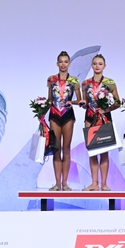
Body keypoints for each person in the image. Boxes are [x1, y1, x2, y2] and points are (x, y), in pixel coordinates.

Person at [81, 54, 120, 191]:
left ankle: (104, 184)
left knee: (104, 152)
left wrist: (106, 109)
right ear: (91, 65)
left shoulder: (110, 82)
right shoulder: (85, 83)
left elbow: (118, 102)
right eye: (95, 63)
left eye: (100, 64)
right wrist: (83, 104)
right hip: (90, 118)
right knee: (92, 151)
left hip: (104, 118)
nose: (97, 66)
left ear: (105, 66)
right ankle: (94, 183)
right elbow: (85, 102)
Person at [47, 51, 81, 191]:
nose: (63, 64)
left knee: (66, 149)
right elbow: (49, 100)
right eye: (61, 61)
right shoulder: (51, 79)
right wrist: (41, 113)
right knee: (56, 149)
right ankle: (57, 183)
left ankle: (65, 183)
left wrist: (71, 102)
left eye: (65, 61)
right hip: (54, 115)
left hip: (67, 115)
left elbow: (79, 100)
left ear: (69, 64)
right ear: (57, 63)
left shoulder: (74, 80)